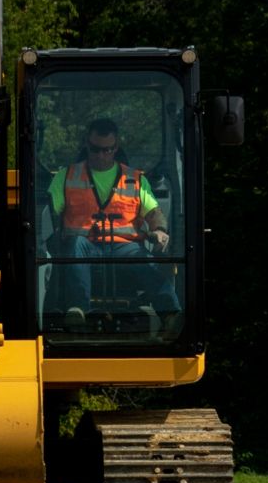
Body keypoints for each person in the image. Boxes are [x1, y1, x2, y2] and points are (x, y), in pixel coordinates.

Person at [50, 116, 179, 326]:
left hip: (124, 247)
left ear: (116, 147)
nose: (101, 155)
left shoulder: (135, 179)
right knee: (74, 246)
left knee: (144, 259)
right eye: (95, 149)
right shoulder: (66, 177)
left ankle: (171, 313)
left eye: (107, 150)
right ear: (86, 144)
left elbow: (153, 213)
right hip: (85, 246)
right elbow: (51, 214)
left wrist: (160, 230)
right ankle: (78, 310)